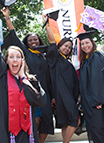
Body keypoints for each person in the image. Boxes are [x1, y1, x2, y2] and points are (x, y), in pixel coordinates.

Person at [0, 11, 47, 143]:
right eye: (11, 57)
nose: (15, 60)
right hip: (2, 130)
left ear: (23, 60)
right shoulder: (1, 77)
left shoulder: (31, 80)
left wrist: (23, 77)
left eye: (18, 57)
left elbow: (39, 100)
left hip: (25, 133)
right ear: (6, 61)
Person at [0, 7, 54, 143]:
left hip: (44, 92)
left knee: (46, 123)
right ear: (27, 43)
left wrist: (53, 96)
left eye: (36, 39)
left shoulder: (44, 55)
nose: (34, 42)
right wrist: (7, 17)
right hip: (29, 91)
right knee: (34, 121)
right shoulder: (25, 53)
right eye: (30, 40)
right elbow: (14, 35)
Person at [42, 14, 80, 143]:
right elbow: (52, 41)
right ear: (59, 46)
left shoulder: (68, 63)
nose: (67, 48)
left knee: (65, 123)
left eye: (69, 47)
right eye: (65, 45)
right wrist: (47, 24)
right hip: (61, 94)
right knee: (75, 119)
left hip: (68, 95)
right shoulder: (55, 58)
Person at [77, 31, 104, 143]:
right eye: (82, 44)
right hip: (92, 105)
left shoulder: (97, 57)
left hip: (98, 106)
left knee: (100, 135)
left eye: (87, 43)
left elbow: (98, 80)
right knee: (97, 135)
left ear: (93, 42)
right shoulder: (89, 59)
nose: (85, 46)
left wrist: (98, 101)